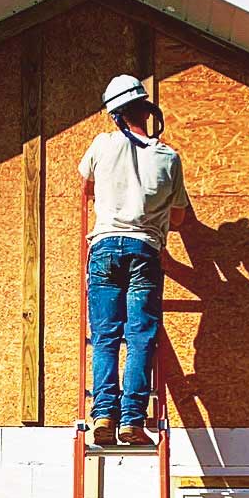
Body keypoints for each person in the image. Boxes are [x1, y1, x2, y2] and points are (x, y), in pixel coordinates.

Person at [79, 75, 190, 447]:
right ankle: (131, 420)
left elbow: (87, 187)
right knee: (141, 337)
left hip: (105, 246)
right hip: (145, 249)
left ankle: (103, 416)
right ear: (147, 109)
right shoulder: (169, 157)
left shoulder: (101, 144)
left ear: (114, 115)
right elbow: (178, 219)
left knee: (107, 337)